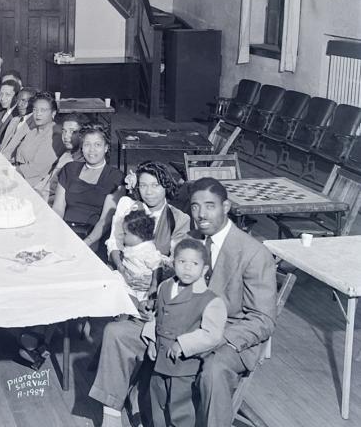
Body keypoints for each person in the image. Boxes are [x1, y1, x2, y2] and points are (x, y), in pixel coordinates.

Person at [90, 177, 276, 427]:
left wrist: (206, 338)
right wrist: (155, 302)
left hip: (228, 334)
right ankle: (111, 417)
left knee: (214, 370)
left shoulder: (253, 252)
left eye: (210, 205)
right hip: (177, 321)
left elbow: (262, 320)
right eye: (196, 206)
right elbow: (174, 285)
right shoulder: (190, 240)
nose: (201, 214)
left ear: (226, 207)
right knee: (117, 333)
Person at [141, 238, 227, 427]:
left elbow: (212, 334)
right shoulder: (165, 287)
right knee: (157, 405)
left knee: (180, 411)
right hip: (160, 362)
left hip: (184, 368)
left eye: (194, 264)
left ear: (204, 270)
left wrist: (183, 343)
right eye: (182, 262)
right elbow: (157, 315)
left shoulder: (210, 300)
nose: (187, 268)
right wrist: (150, 340)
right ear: (173, 263)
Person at [106, 161, 191, 271]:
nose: (148, 192)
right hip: (122, 270)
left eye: (155, 185)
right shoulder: (127, 206)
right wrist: (121, 269)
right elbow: (114, 244)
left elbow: (177, 260)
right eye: (143, 185)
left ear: (166, 186)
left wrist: (152, 280)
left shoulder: (179, 219)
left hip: (159, 279)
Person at [51, 124, 123, 250]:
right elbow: (58, 208)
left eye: (97, 145)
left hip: (93, 238)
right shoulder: (70, 169)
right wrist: (57, 233)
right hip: (64, 230)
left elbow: (105, 221)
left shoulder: (115, 177)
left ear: (106, 148)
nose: (92, 150)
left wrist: (85, 243)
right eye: (87, 144)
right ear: (82, 147)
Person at [8, 92, 62, 189]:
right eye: (35, 110)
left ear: (53, 113)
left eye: (43, 110)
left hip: (32, 185)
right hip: (18, 174)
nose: (38, 114)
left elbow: (36, 169)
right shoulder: (33, 130)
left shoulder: (55, 135)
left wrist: (9, 170)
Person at [34, 113, 85, 203]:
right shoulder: (67, 153)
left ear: (82, 135)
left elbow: (63, 199)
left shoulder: (80, 163)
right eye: (64, 131)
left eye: (72, 131)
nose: (65, 136)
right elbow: (47, 180)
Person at [116, 210, 165, 302]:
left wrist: (154, 285)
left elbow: (157, 267)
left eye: (125, 233)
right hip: (128, 278)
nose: (122, 236)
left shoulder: (147, 249)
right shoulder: (131, 244)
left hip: (141, 286)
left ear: (138, 235)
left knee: (139, 301)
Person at [0, 87, 36, 157]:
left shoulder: (35, 124)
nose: (19, 104)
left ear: (33, 103)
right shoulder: (14, 120)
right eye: (18, 100)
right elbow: (4, 145)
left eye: (24, 100)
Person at [0, 79, 20, 147]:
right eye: (1, 94)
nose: (2, 98)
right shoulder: (0, 113)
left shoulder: (17, 117)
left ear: (16, 97)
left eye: (7, 95)